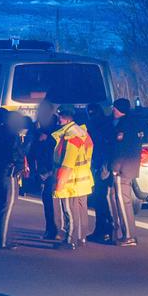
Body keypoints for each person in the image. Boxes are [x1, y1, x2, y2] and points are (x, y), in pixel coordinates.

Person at [51, 105, 93, 249]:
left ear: (64, 117)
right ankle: (81, 238)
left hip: (70, 180)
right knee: (80, 209)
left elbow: (67, 162)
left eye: (59, 117)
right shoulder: (81, 132)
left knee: (69, 210)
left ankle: (70, 241)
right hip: (82, 177)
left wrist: (60, 182)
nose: (58, 120)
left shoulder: (71, 135)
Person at [0, 107, 27, 249]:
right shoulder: (11, 134)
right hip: (8, 172)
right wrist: (20, 165)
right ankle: (3, 240)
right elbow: (16, 153)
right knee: (7, 206)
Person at [107, 97, 142, 247]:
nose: (113, 110)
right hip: (130, 166)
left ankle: (128, 235)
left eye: (115, 108)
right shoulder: (135, 123)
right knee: (120, 199)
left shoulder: (124, 125)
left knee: (122, 201)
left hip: (122, 168)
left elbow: (120, 149)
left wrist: (115, 167)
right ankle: (126, 233)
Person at [25, 101, 60, 240]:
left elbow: (58, 145)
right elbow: (31, 149)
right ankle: (50, 228)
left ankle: (56, 229)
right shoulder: (36, 126)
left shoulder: (55, 127)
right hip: (41, 166)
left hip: (53, 167)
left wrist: (47, 138)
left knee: (52, 197)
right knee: (47, 198)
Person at [86, 102, 114, 243]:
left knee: (101, 200)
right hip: (98, 165)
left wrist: (104, 166)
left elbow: (104, 147)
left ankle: (105, 229)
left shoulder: (99, 126)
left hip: (101, 166)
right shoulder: (103, 124)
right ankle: (103, 230)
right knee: (99, 200)